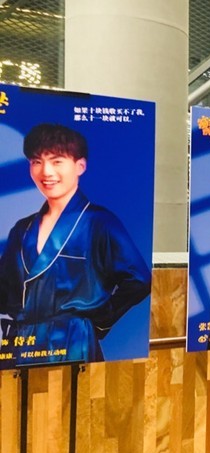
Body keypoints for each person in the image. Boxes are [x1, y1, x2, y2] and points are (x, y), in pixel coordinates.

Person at [0, 124, 151, 365]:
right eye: (37, 161)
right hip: (22, 343)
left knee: (73, 390)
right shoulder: (22, 229)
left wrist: (99, 320)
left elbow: (140, 279)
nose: (46, 171)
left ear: (80, 166)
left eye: (57, 161)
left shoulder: (98, 222)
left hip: (71, 342)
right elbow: (4, 288)